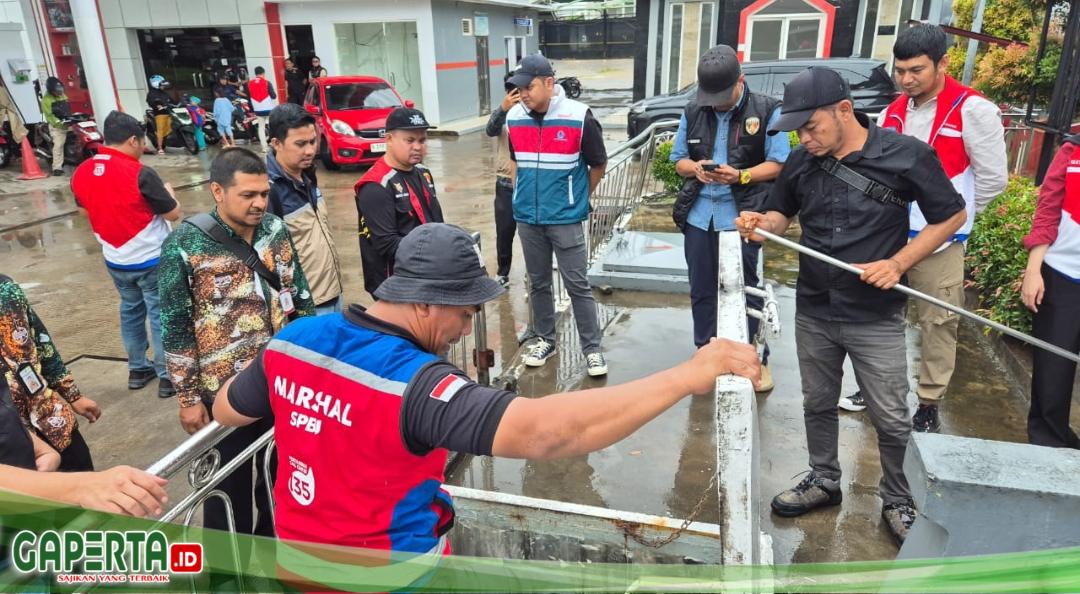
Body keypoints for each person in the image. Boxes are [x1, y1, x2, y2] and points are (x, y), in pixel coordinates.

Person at [211, 223, 761, 590]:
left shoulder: (294, 342)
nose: (464, 328)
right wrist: (686, 375)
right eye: (466, 312)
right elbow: (548, 432)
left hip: (298, 566)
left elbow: (227, 410)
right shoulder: (417, 386)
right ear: (427, 301)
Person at [735, 66, 967, 544]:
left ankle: (898, 498)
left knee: (891, 415)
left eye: (811, 127)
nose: (804, 138)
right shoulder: (801, 162)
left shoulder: (905, 155)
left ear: (844, 110)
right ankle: (824, 479)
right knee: (817, 402)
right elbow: (781, 214)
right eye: (797, 131)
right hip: (815, 306)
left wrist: (898, 263)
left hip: (874, 314)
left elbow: (952, 214)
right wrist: (762, 224)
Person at [838, 24, 1008, 429]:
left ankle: (929, 402)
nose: (906, 79)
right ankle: (875, 386)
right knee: (878, 317)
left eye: (916, 70)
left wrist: (954, 220)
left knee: (938, 322)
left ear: (942, 63)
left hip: (941, 241)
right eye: (900, 71)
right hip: (889, 236)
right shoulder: (892, 113)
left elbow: (993, 179)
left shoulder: (972, 110)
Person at [158, 148, 316, 552]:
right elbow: (175, 327)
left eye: (263, 193)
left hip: (281, 381)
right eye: (248, 195)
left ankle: (276, 552)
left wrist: (311, 360)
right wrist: (188, 398)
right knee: (228, 487)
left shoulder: (275, 230)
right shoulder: (184, 245)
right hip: (224, 393)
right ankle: (228, 571)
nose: (259, 203)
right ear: (218, 191)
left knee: (280, 476)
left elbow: (299, 295)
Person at [670, 44, 790, 393]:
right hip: (699, 217)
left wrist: (741, 176)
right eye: (711, 98)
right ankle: (705, 354)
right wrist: (695, 168)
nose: (717, 104)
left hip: (744, 217)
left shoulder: (767, 110)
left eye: (723, 97)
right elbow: (678, 160)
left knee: (747, 291)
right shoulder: (694, 110)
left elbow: (780, 164)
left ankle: (754, 359)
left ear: (741, 80)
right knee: (702, 290)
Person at [505, 54, 609, 377]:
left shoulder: (578, 117)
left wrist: (578, 199)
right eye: (519, 88)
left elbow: (598, 163)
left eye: (529, 87)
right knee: (538, 283)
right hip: (528, 218)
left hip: (564, 218)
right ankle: (546, 340)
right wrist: (519, 193)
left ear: (549, 83)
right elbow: (515, 161)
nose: (523, 94)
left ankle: (592, 349)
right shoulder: (514, 118)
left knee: (577, 284)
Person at [70, 111, 182, 398]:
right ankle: (166, 375)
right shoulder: (140, 173)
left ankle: (137, 369)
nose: (142, 148)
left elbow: (83, 211)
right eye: (142, 142)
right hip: (151, 258)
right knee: (160, 314)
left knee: (131, 310)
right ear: (133, 140)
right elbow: (173, 213)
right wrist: (170, 194)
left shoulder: (82, 171)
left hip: (116, 260)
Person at [1, 274, 100, 471]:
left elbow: (41, 342)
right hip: (11, 445)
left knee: (83, 475)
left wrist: (72, 394)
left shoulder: (6, 289)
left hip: (51, 418)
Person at [1020, 133, 1080, 449]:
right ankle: (1048, 448)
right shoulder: (1072, 151)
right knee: (1051, 375)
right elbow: (1048, 210)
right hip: (1062, 274)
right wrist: (1033, 271)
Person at [354, 107, 444, 297]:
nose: (417, 147)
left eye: (422, 140)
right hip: (396, 286)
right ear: (388, 139)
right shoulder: (375, 185)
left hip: (427, 275)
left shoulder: (423, 173)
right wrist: (434, 251)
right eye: (409, 140)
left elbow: (436, 221)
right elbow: (387, 244)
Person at [266, 103, 343, 315]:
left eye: (312, 141)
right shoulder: (267, 191)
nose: (310, 151)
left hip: (333, 293)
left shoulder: (308, 174)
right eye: (300, 144)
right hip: (307, 306)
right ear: (276, 143)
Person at [484, 73, 519, 288]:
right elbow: (490, 130)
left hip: (527, 181)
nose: (515, 94)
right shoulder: (504, 114)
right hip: (505, 182)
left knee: (532, 232)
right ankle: (503, 272)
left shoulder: (533, 112)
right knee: (504, 231)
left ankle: (534, 272)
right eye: (510, 90)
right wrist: (503, 109)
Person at [40, 76, 70, 175]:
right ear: (51, 91)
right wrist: (59, 123)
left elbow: (67, 107)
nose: (60, 92)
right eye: (57, 91)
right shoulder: (46, 100)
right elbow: (50, 116)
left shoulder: (62, 95)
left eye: (61, 89)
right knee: (59, 145)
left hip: (67, 122)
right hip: (57, 126)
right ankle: (57, 168)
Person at [246, 66, 277, 151]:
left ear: (255, 73)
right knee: (272, 126)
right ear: (263, 73)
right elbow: (273, 96)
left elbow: (249, 97)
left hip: (258, 109)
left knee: (261, 127)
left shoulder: (249, 84)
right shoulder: (267, 82)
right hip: (268, 108)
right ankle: (273, 144)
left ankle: (264, 147)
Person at [146, 75, 173, 155]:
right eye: (162, 85)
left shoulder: (164, 93)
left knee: (171, 128)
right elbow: (151, 102)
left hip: (169, 113)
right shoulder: (152, 93)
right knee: (160, 130)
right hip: (160, 114)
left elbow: (172, 101)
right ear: (156, 84)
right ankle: (160, 148)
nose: (163, 86)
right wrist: (157, 105)